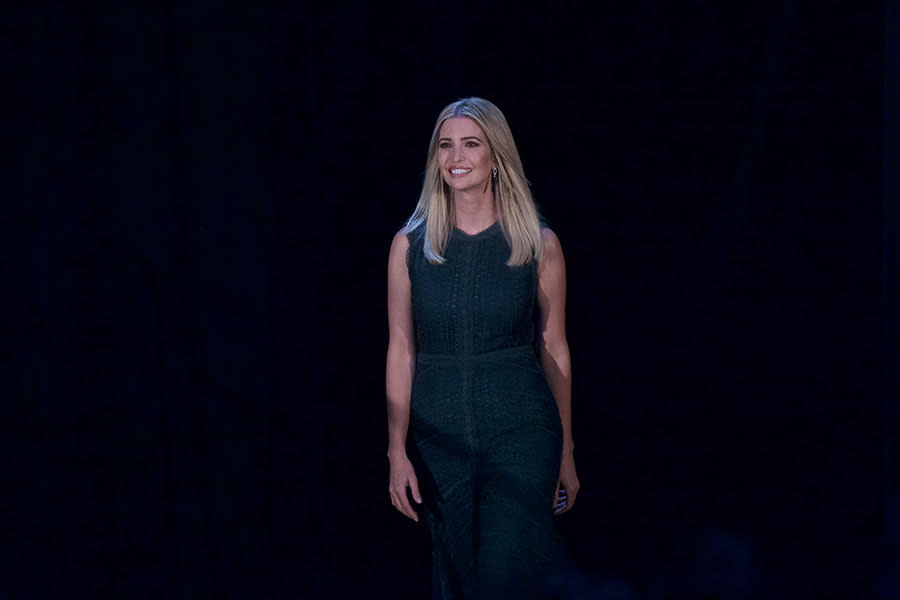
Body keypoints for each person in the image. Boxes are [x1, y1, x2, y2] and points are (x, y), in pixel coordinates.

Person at [385, 97, 580, 599]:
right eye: (445, 145)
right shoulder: (410, 245)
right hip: (440, 433)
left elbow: (554, 347)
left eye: (471, 144)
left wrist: (567, 450)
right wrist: (395, 449)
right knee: (457, 575)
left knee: (506, 574)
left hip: (522, 429)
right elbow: (402, 348)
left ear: (497, 158)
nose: (456, 156)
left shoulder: (538, 244)